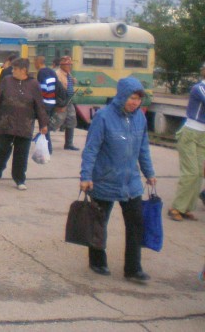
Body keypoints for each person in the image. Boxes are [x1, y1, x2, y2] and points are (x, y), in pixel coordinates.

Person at [79, 76, 157, 281]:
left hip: (131, 181)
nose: (135, 102)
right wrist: (86, 176)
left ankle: (133, 268)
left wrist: (149, 173)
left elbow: (143, 148)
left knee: (136, 223)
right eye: (131, 98)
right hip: (105, 178)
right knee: (99, 222)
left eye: (138, 99)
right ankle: (97, 260)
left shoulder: (140, 118)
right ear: (122, 96)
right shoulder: (103, 117)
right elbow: (91, 149)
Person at [0, 58, 48, 190]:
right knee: (1, 151)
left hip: (24, 125)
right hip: (5, 123)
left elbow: (39, 105)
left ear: (23, 70)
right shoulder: (6, 81)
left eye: (15, 69)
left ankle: (19, 179)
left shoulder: (34, 84)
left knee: (21, 154)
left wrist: (43, 124)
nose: (12, 71)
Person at [168, 62, 205, 221]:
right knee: (190, 172)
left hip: (203, 134)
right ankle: (176, 207)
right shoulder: (199, 88)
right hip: (190, 132)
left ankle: (186, 208)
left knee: (199, 173)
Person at [34, 55, 57, 154]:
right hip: (52, 101)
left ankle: (47, 148)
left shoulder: (41, 73)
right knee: (46, 124)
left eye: (35, 62)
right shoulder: (51, 71)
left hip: (45, 102)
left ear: (38, 62)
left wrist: (38, 100)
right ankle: (45, 145)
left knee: (43, 125)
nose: (34, 65)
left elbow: (43, 88)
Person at [56, 56, 79, 150]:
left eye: (70, 65)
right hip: (61, 100)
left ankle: (69, 143)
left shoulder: (68, 74)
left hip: (69, 100)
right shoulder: (58, 74)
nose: (69, 66)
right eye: (67, 65)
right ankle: (44, 138)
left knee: (71, 120)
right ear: (62, 65)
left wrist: (73, 81)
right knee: (56, 121)